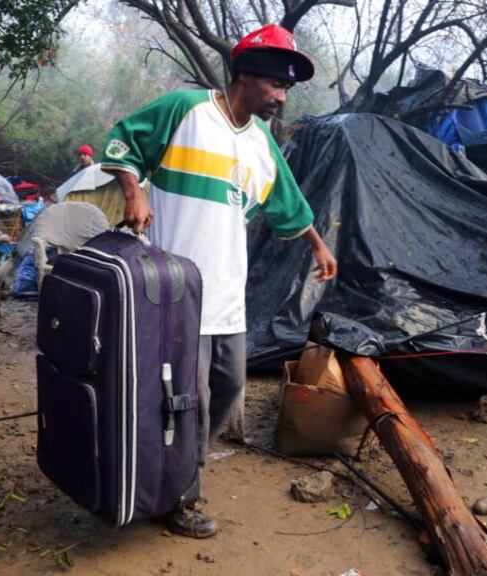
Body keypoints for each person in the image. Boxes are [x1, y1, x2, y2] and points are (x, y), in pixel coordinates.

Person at [100, 23, 337, 539]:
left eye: (287, 89)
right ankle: (179, 495)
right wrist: (133, 187)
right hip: (171, 294)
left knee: (228, 387)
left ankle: (177, 465)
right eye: (275, 85)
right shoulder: (184, 110)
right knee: (190, 400)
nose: (280, 96)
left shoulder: (261, 145)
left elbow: (289, 204)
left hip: (227, 293)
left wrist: (318, 244)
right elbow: (121, 141)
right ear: (246, 75)